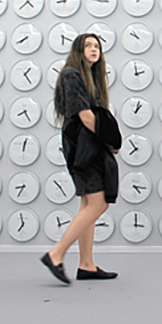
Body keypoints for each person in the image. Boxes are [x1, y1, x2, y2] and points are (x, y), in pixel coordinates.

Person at [41, 34, 118, 284]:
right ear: (78, 50)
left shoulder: (89, 76)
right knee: (98, 203)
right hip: (83, 146)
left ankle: (86, 265)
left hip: (86, 144)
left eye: (97, 46)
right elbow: (85, 116)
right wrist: (109, 141)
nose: (94, 49)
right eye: (88, 45)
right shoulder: (72, 74)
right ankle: (56, 254)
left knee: (88, 203)